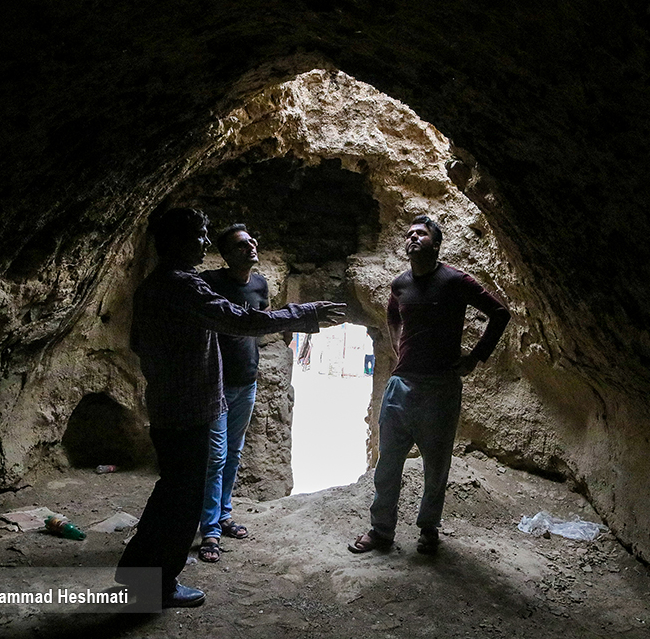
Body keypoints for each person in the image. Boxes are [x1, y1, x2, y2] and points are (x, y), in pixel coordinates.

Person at [116, 208, 346, 608]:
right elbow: (242, 321)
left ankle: (134, 575)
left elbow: (138, 342)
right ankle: (158, 587)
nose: (205, 244)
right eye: (199, 236)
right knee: (183, 502)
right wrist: (305, 313)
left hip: (169, 404)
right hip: (190, 409)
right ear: (176, 241)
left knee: (170, 493)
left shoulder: (153, 286)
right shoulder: (183, 286)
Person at [349, 215, 510, 556]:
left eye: (421, 233)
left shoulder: (455, 280)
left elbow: (500, 313)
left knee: (436, 465)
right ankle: (381, 531)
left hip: (441, 387)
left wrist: (475, 357)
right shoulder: (400, 284)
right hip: (401, 385)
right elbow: (393, 315)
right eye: (408, 234)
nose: (412, 238)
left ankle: (428, 529)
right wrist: (396, 345)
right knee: (388, 462)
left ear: (436, 244)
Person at [196, 224, 269, 563]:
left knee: (234, 453)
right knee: (216, 456)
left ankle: (223, 515)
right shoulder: (211, 282)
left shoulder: (259, 284)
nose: (250, 246)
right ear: (225, 255)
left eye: (251, 241)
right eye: (241, 245)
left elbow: (262, 324)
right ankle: (209, 528)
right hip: (217, 384)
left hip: (247, 382)